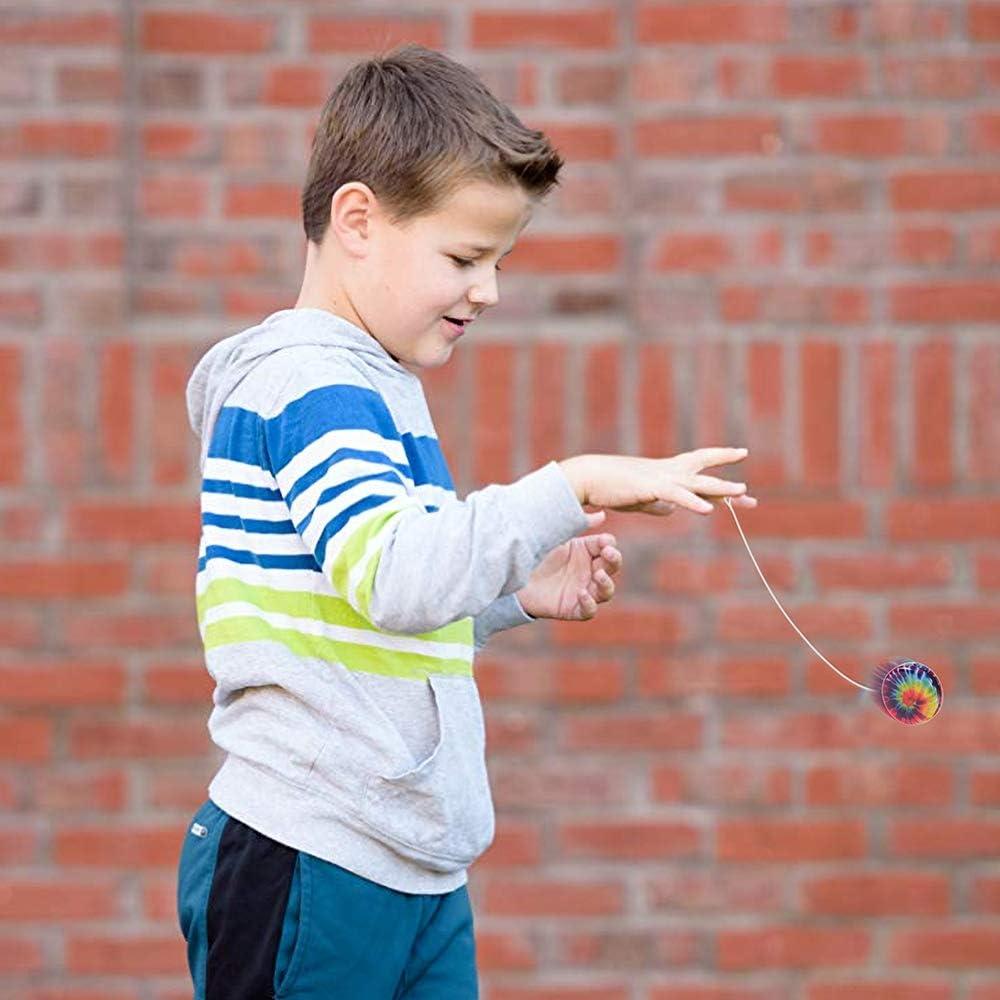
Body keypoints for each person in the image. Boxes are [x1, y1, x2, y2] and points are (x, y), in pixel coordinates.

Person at [176, 43, 757, 1000]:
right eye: (464, 257)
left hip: (411, 865)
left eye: (500, 260)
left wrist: (508, 592)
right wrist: (567, 482)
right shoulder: (309, 385)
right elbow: (396, 578)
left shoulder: (375, 386)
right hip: (312, 854)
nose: (488, 289)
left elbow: (364, 598)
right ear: (357, 220)